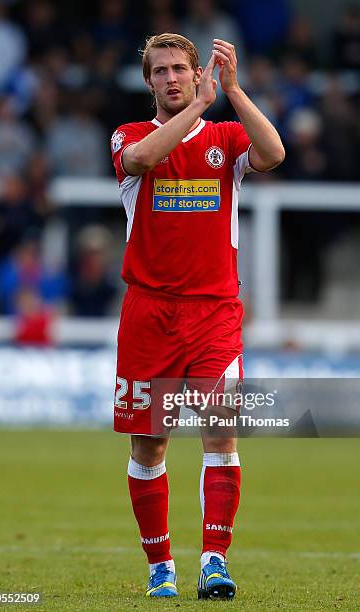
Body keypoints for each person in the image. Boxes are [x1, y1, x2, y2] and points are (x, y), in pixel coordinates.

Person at [110, 33, 284, 600]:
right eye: (160, 71)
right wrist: (199, 107)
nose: (172, 79)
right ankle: (161, 566)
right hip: (149, 313)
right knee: (149, 445)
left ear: (193, 72)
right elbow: (141, 160)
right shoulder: (132, 137)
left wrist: (232, 91)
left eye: (181, 69)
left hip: (213, 313)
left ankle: (214, 559)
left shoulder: (226, 139)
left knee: (220, 431)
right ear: (149, 82)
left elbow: (275, 153)